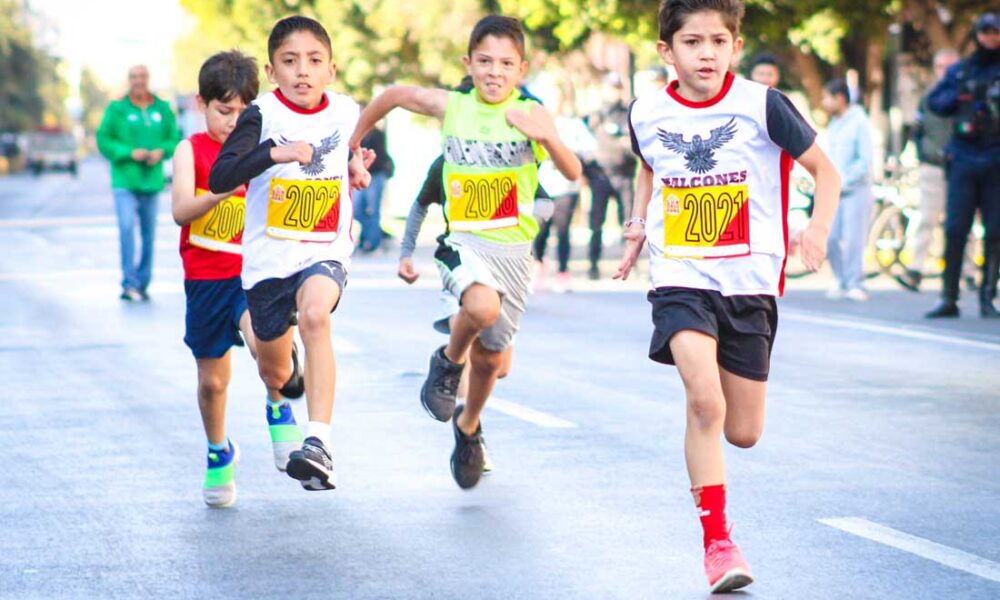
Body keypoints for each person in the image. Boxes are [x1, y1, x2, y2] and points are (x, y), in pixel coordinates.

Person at [615, 0, 840, 592]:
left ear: (735, 46)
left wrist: (815, 230)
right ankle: (717, 543)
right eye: (692, 42)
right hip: (682, 276)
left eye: (718, 41)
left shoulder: (762, 105)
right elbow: (649, 166)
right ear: (668, 51)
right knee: (704, 402)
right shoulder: (647, 111)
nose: (706, 53)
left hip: (750, 283)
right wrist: (638, 229)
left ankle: (716, 414)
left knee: (742, 431)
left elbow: (827, 170)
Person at [351, 14, 582, 490]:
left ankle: (469, 425)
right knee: (480, 306)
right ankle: (446, 363)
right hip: (464, 243)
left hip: (514, 253)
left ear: (522, 68)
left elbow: (573, 171)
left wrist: (547, 138)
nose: (494, 72)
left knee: (495, 361)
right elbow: (394, 95)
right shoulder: (453, 106)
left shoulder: (531, 113)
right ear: (468, 64)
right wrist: (351, 143)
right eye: (484, 61)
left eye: (505, 63)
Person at [209, 16, 373, 491]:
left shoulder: (345, 112)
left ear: (332, 70)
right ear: (272, 69)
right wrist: (273, 155)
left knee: (318, 314)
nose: (302, 71)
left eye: (314, 61)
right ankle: (280, 392)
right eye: (289, 61)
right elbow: (223, 177)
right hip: (268, 265)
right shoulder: (261, 116)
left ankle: (318, 443)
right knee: (274, 369)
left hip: (324, 250)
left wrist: (356, 167)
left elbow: (350, 154)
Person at [171, 51, 305, 508]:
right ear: (201, 104)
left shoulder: (263, 148)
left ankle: (277, 405)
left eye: (241, 112)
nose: (231, 122)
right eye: (222, 111)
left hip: (250, 274)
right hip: (205, 280)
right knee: (213, 383)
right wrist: (223, 189)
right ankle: (218, 452)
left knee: (260, 342)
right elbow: (180, 211)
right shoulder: (191, 150)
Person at [924, 12, 1000, 319]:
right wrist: (963, 96)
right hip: (964, 157)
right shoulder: (962, 70)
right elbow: (935, 103)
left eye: (996, 32)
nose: (991, 38)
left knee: (995, 232)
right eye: (986, 32)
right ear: (977, 34)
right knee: (955, 230)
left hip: (996, 158)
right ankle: (949, 297)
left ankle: (987, 298)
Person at [96, 65, 181, 302]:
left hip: (152, 181)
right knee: (126, 227)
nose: (138, 81)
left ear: (148, 79)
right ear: (129, 80)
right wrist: (129, 152)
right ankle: (128, 282)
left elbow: (174, 138)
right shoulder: (117, 109)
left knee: (148, 233)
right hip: (125, 179)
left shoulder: (161, 108)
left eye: (142, 77)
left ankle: (142, 281)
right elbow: (103, 140)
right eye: (134, 77)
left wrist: (161, 152)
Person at [901, 48, 977, 292]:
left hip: (961, 166)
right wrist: (924, 155)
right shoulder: (930, 96)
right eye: (941, 67)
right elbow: (918, 127)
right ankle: (916, 269)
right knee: (927, 218)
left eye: (950, 67)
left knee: (962, 222)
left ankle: (968, 271)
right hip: (933, 167)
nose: (945, 72)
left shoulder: (968, 94)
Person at [534, 106, 598, 292]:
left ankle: (562, 272)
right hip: (543, 188)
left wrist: (571, 153)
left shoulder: (573, 125)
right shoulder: (537, 121)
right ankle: (539, 264)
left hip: (566, 187)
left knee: (563, 230)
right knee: (541, 230)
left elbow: (591, 148)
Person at [822, 78, 874, 302]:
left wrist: (845, 180)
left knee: (854, 238)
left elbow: (865, 160)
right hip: (834, 190)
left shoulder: (859, 122)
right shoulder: (834, 123)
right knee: (831, 237)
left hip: (856, 189)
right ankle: (841, 278)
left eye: (827, 98)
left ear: (840, 98)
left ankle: (854, 282)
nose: (824, 103)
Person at [587, 73, 637, 280]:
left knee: (628, 223)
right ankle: (593, 264)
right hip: (600, 176)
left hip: (624, 175)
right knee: (596, 223)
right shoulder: (596, 115)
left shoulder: (629, 112)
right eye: (611, 88)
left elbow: (634, 144)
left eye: (617, 88)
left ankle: (629, 265)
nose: (614, 92)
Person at [354, 124, 394, 253]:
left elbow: (379, 156)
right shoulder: (357, 134)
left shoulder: (377, 134)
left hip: (375, 175)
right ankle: (375, 232)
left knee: (373, 210)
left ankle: (373, 243)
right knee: (356, 209)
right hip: (360, 175)